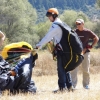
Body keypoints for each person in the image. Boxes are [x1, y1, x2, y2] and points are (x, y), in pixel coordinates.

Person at [36, 8, 75, 92]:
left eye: (49, 16)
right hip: (67, 50)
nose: (48, 18)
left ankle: (62, 88)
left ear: (54, 15)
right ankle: (70, 87)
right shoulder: (61, 23)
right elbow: (57, 36)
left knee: (61, 69)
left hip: (61, 51)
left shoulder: (56, 25)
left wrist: (38, 45)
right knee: (66, 69)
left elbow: (47, 36)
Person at [71, 19, 99, 89]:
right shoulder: (74, 32)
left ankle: (86, 85)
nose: (78, 25)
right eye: (77, 24)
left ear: (83, 24)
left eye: (79, 24)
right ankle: (73, 85)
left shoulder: (87, 32)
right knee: (74, 69)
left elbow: (96, 38)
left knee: (86, 69)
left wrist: (91, 46)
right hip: (76, 53)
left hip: (85, 52)